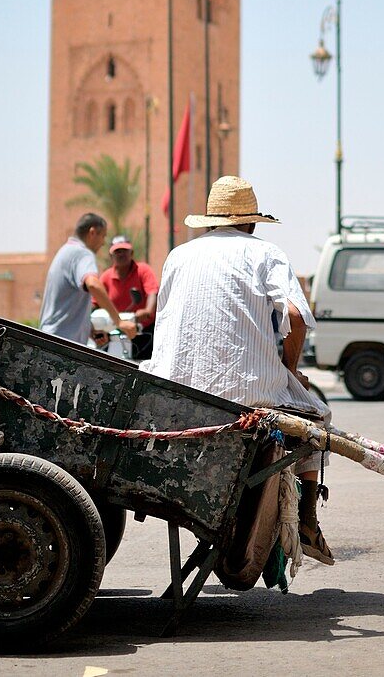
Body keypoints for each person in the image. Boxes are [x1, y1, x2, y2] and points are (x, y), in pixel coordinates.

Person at [142, 176, 334, 565]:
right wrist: (291, 370)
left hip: (172, 391)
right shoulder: (265, 254)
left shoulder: (178, 255)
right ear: (250, 223)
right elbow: (295, 316)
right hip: (246, 394)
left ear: (211, 221)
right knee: (320, 416)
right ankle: (309, 521)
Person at [39, 213, 137, 346]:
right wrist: (119, 321)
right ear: (92, 233)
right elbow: (93, 285)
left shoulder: (66, 251)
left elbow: (67, 304)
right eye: (103, 236)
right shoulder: (82, 253)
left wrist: (90, 330)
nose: (103, 243)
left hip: (52, 338)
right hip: (63, 344)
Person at [99, 235, 159, 359]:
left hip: (143, 331)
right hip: (115, 331)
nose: (121, 254)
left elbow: (152, 292)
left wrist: (147, 311)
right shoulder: (106, 277)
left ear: (131, 253)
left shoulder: (143, 270)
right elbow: (95, 301)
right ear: (111, 256)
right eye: (117, 251)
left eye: (125, 250)